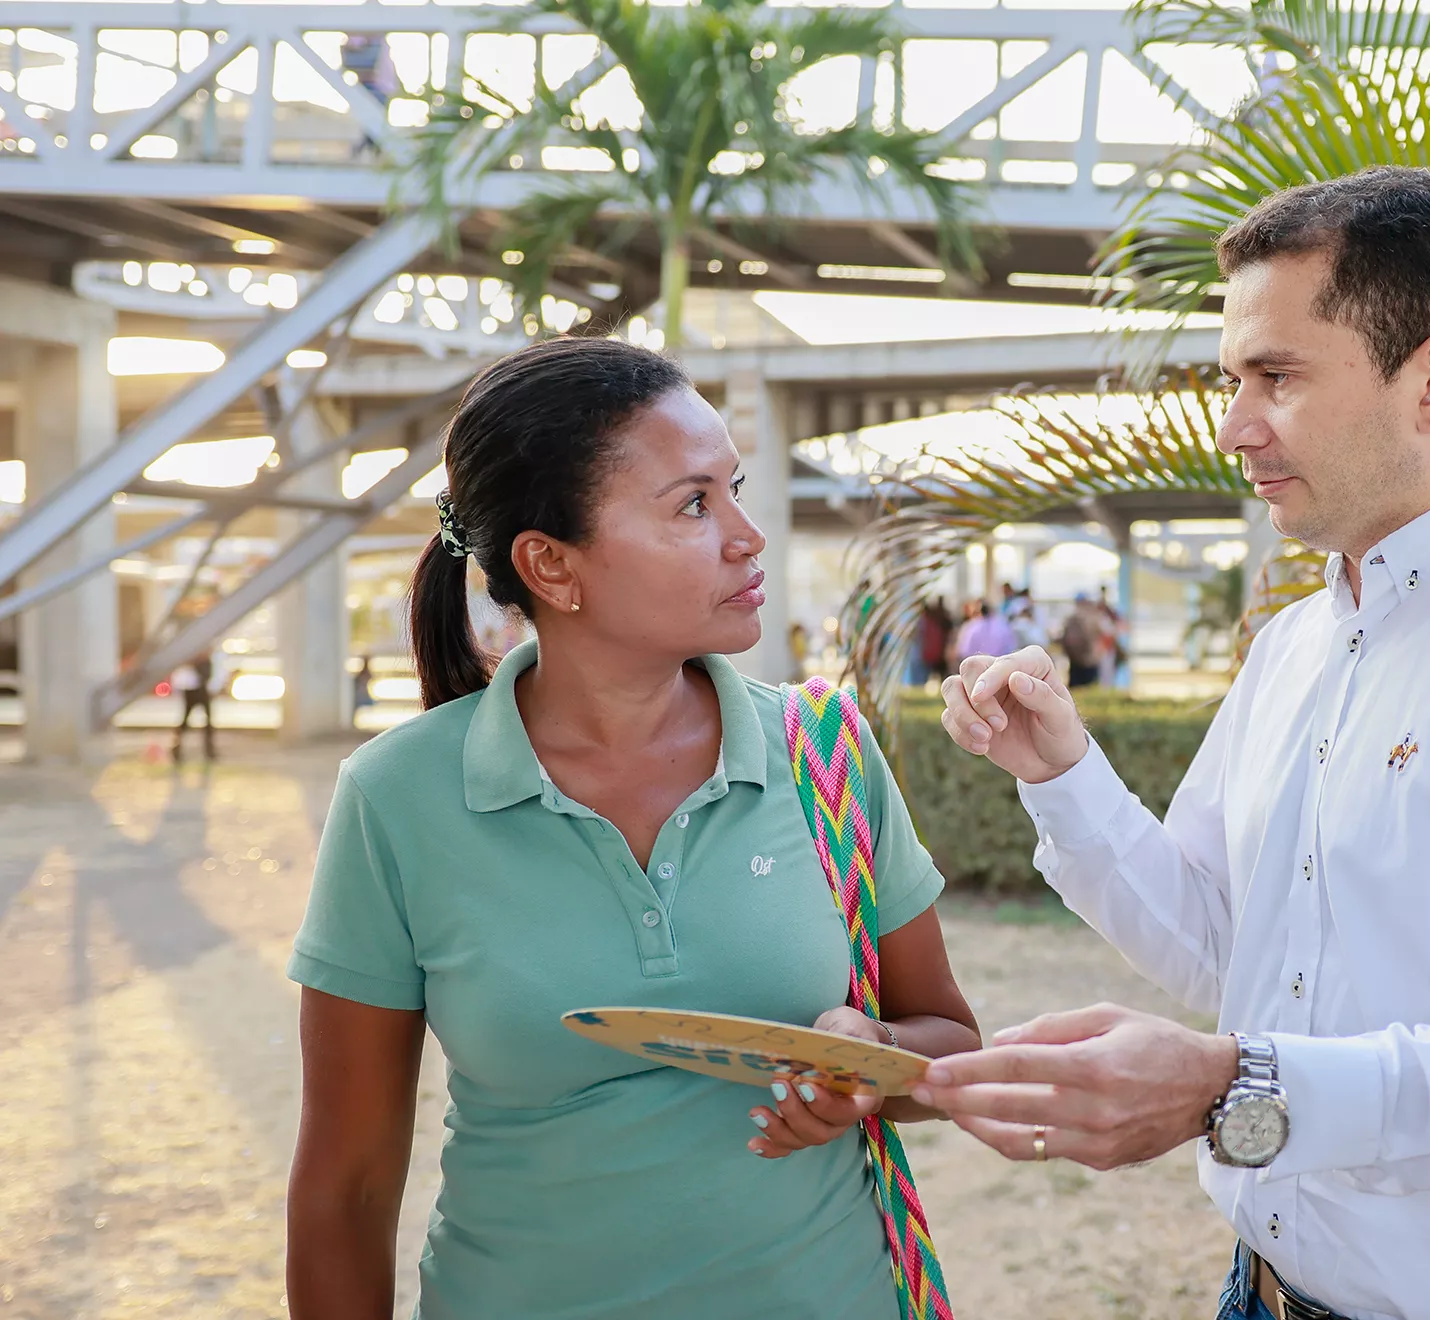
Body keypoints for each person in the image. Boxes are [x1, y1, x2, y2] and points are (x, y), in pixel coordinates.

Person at [920, 168, 1430, 1320]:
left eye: (1278, 377)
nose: (1233, 425)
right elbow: (1224, 946)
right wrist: (1062, 774)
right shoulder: (1299, 642)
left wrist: (1233, 1086)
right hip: (1258, 1292)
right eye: (1231, 378)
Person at [285, 337, 979, 1319]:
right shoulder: (397, 797)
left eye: (734, 487)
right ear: (551, 565)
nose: (749, 535)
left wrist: (867, 1061)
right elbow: (345, 1190)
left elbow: (951, 1042)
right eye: (694, 504)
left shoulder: (824, 752)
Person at [171, 651, 218, 763]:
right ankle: (177, 748)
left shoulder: (203, 662)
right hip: (192, 692)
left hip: (201, 692)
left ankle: (209, 750)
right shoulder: (190, 663)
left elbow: (208, 676)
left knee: (207, 723)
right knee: (185, 722)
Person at [1059, 595, 1103, 689]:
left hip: (1075, 661)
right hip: (1089, 661)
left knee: (1075, 691)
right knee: (1091, 689)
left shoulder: (1070, 619)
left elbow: (1064, 639)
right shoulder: (1093, 617)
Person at [955, 597, 1018, 661]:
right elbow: (1010, 646)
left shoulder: (970, 627)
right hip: (1000, 663)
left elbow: (964, 651)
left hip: (977, 664)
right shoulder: (1003, 624)